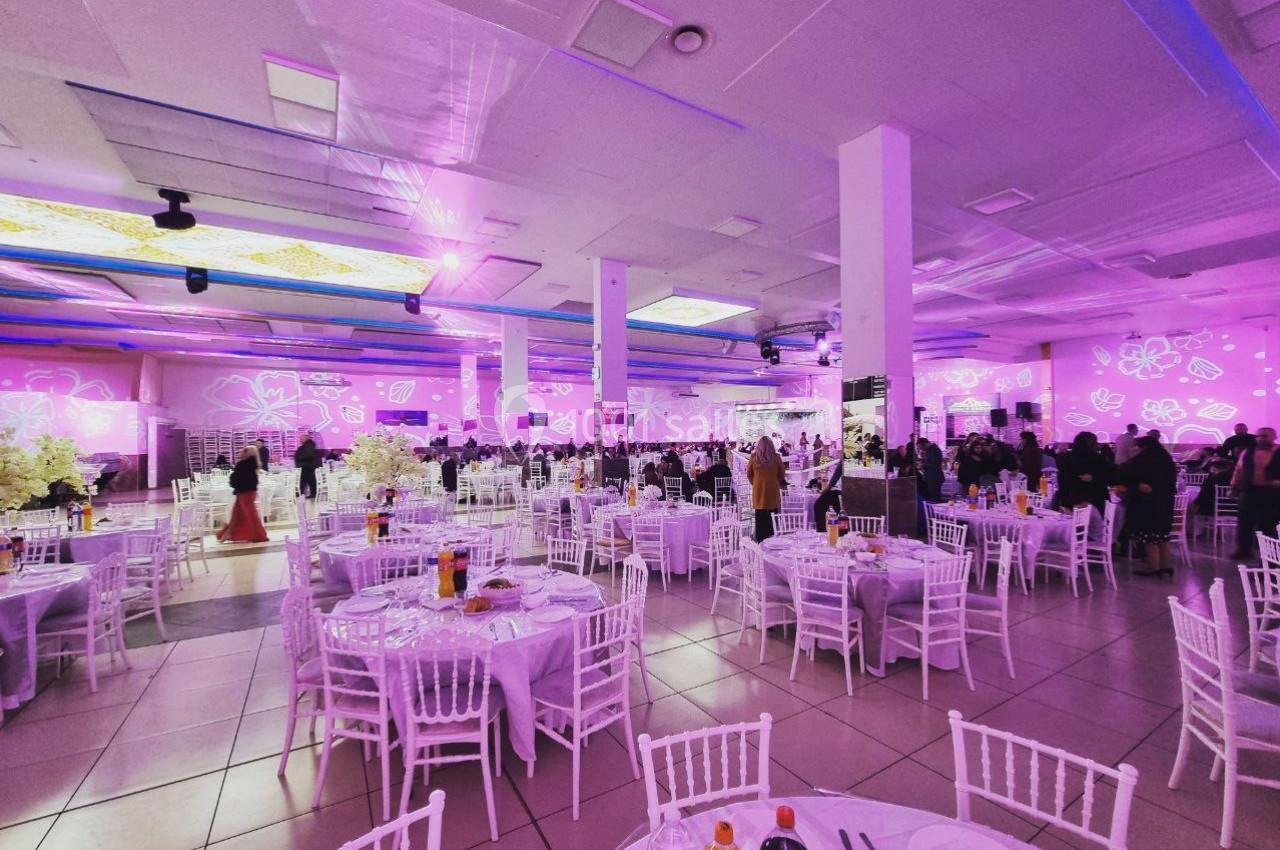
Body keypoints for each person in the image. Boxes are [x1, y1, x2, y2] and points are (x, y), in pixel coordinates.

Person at [1120, 436, 1177, 576]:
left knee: (1149, 536)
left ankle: (1153, 567)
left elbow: (1128, 476)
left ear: (1143, 447)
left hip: (1147, 504)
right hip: (1165, 502)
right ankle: (1165, 566)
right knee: (1162, 536)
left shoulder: (1143, 460)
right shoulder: (1166, 458)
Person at [1230, 426, 1280, 560]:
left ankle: (1269, 556)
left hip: (1272, 493)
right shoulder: (1247, 452)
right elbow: (1239, 471)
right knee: (1244, 523)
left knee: (1268, 525)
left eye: (1265, 436)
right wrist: (1233, 487)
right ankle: (1244, 550)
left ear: (1274, 437)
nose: (1261, 439)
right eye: (1259, 436)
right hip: (1249, 491)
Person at [217, 446, 268, 543]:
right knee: (239, 513)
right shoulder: (253, 464)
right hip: (249, 491)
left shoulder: (243, 464)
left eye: (245, 450)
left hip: (244, 492)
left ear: (248, 453)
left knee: (246, 513)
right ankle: (229, 532)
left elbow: (237, 479)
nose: (241, 451)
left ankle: (257, 535)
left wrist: (232, 480)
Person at [1056, 431, 1114, 513]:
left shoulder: (1065, 458)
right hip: (1095, 501)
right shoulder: (1097, 459)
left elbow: (1062, 482)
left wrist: (1064, 503)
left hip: (1072, 501)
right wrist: (1094, 478)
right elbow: (1107, 478)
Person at [746, 436, 787, 541]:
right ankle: (772, 542)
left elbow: (749, 474)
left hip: (759, 491)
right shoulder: (776, 457)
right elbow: (782, 474)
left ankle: (760, 541)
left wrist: (755, 483)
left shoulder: (754, 457)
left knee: (760, 517)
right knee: (772, 518)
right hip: (772, 491)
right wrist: (774, 482)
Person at [813, 460, 843, 531]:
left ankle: (835, 529)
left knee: (820, 504)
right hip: (839, 490)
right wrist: (828, 488)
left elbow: (838, 472)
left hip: (847, 489)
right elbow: (838, 472)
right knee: (819, 504)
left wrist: (826, 489)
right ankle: (822, 530)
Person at [293, 433, 322, 499]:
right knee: (308, 481)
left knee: (306, 481)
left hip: (307, 467)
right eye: (300, 439)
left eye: (302, 439)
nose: (300, 440)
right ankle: (304, 493)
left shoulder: (309, 445)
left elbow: (308, 455)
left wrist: (299, 457)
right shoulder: (307, 446)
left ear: (306, 439)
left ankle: (301, 494)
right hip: (307, 466)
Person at [916, 437, 944, 502]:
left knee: (935, 498)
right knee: (931, 497)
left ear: (925, 444)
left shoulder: (935, 450)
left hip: (934, 478)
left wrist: (923, 465)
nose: (921, 449)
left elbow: (934, 463)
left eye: (921, 448)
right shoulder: (929, 450)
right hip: (930, 477)